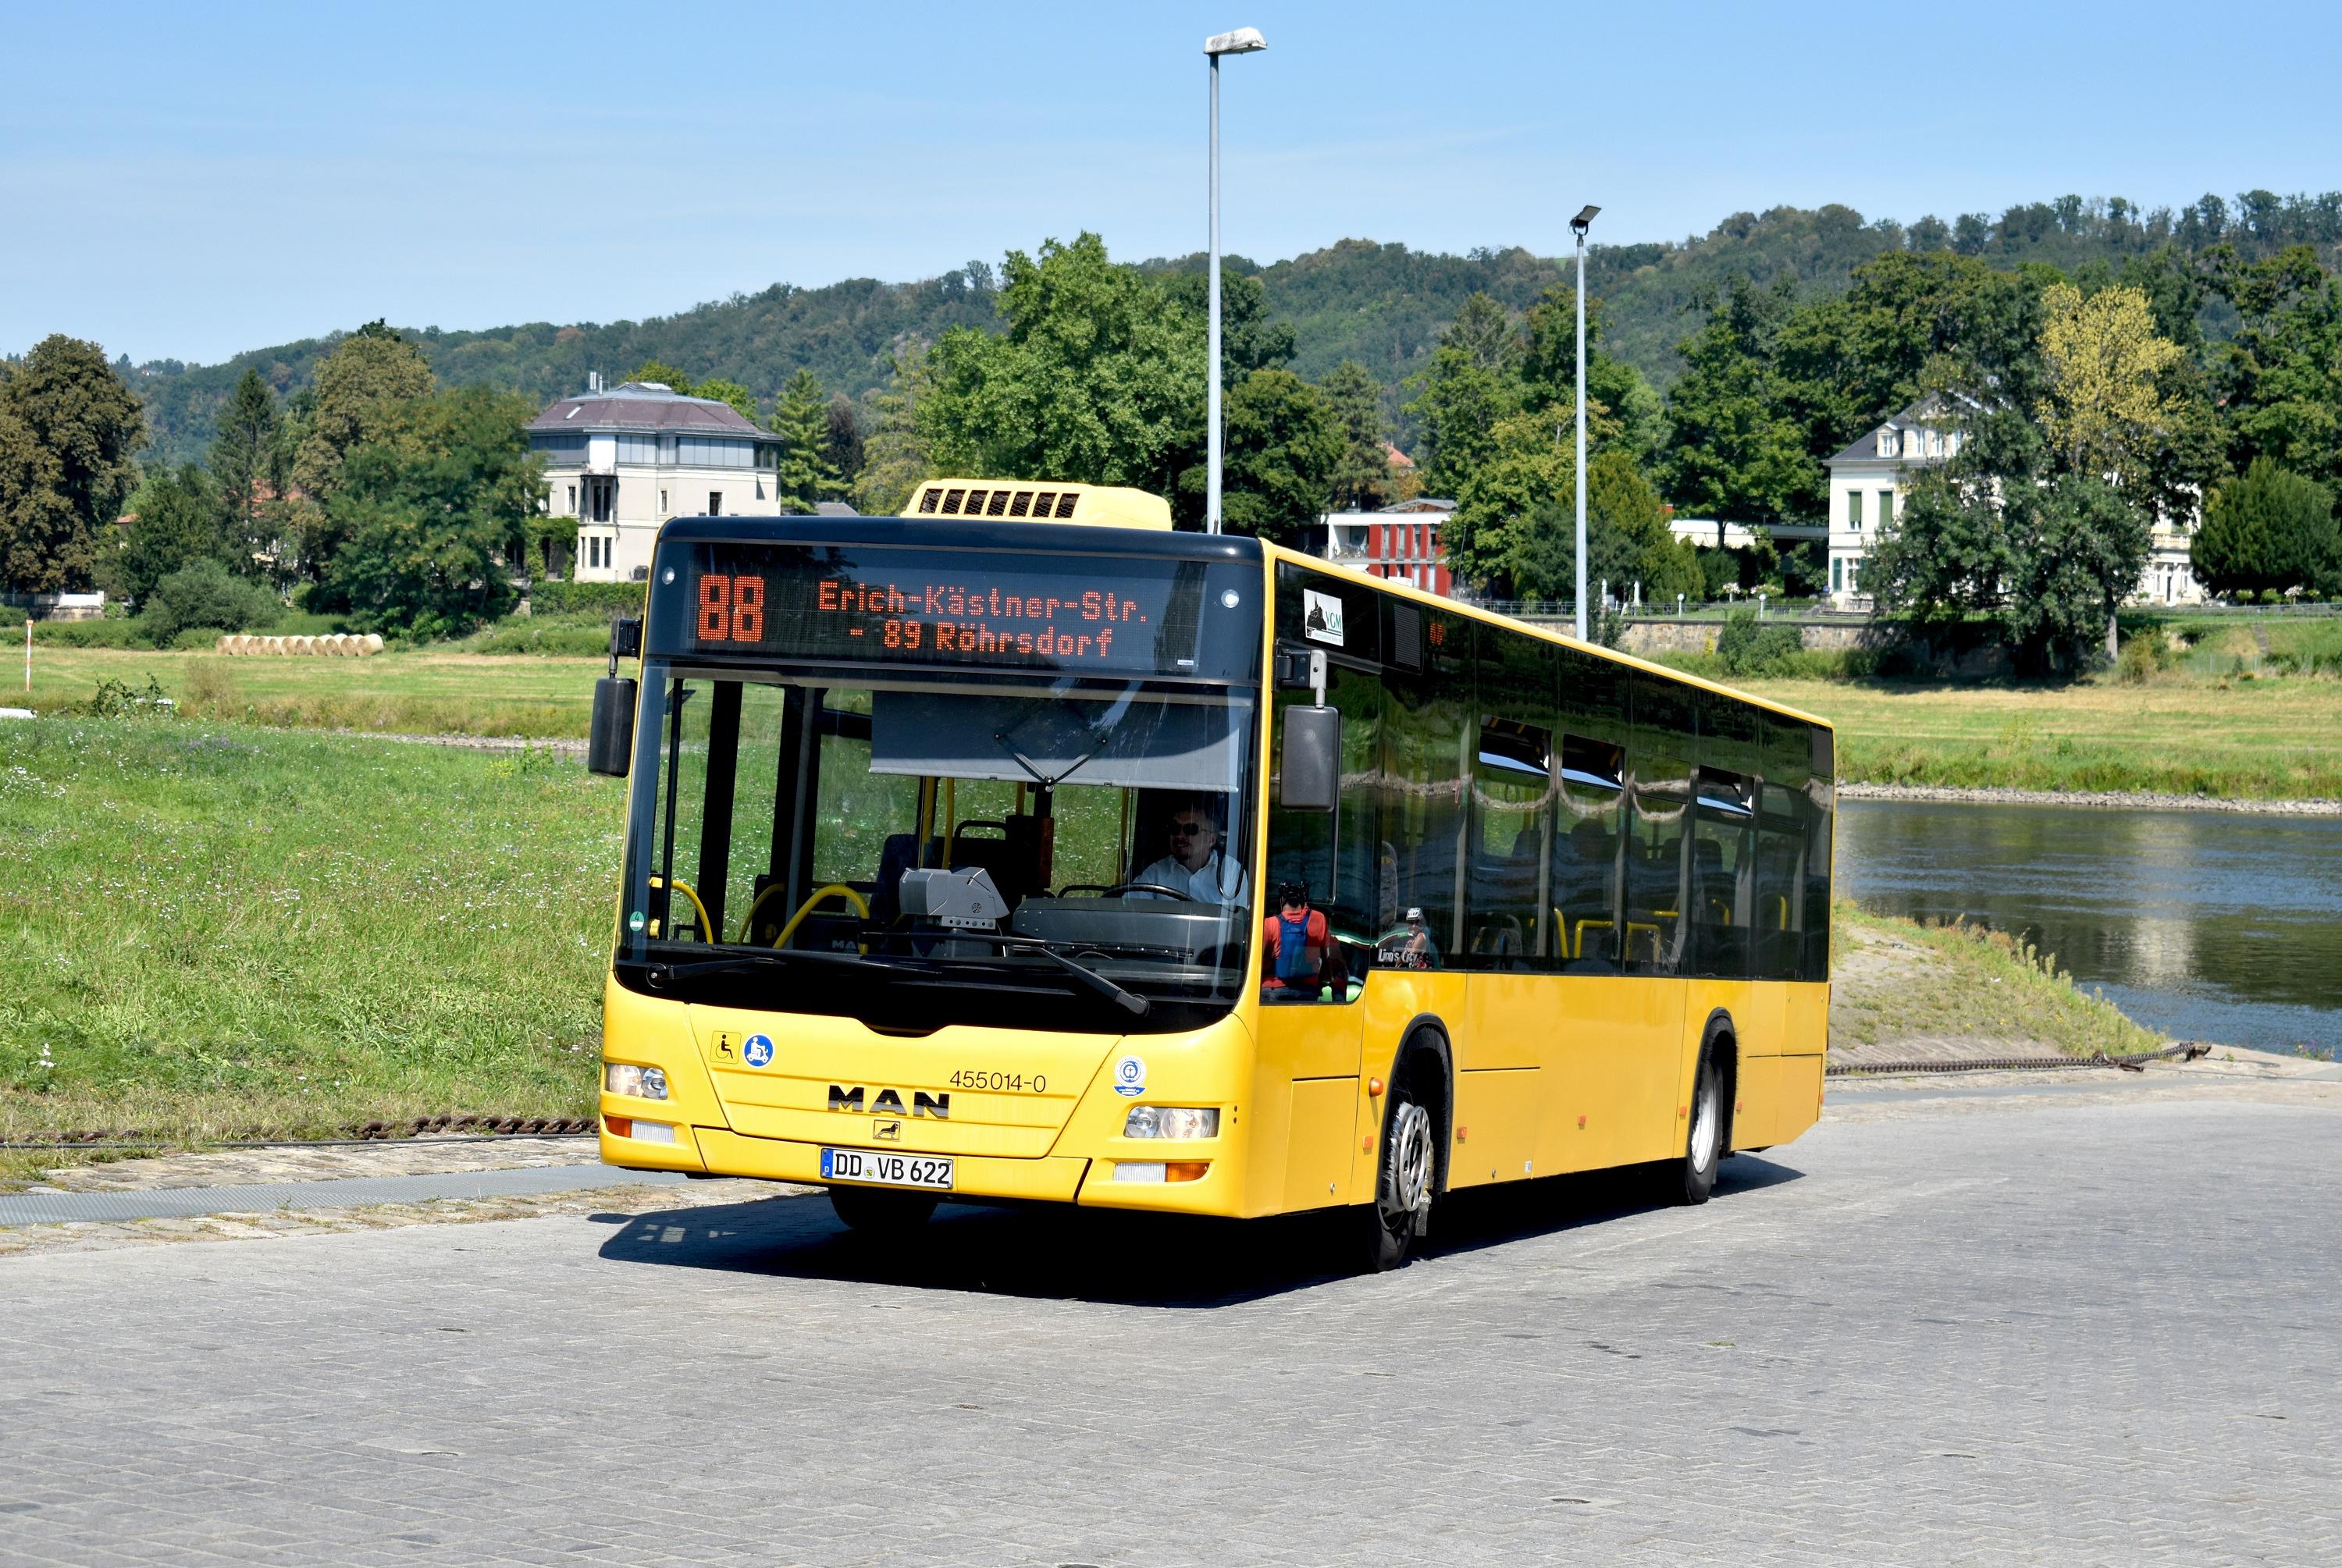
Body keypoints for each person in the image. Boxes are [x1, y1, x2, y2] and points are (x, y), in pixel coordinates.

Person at [1130, 798, 1251, 905]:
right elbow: (1131, 914)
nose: (1180, 835)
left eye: (1190, 829)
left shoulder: (1232, 874)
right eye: (1175, 828)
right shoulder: (1155, 874)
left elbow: (1239, 925)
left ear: (1211, 839)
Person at [1262, 881, 1337, 999]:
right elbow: (1329, 959)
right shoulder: (1318, 919)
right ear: (1304, 900)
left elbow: (1256, 961)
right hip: (1308, 991)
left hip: (1273, 990)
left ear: (1282, 900)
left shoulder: (1270, 923)